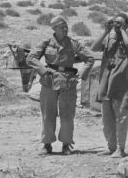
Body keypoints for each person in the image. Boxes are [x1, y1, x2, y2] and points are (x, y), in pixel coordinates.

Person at [26, 15, 94, 155]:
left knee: (67, 115)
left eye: (66, 27)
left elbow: (90, 58)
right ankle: (47, 144)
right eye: (61, 27)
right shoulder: (46, 43)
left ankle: (66, 144)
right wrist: (43, 71)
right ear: (54, 29)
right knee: (48, 114)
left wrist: (81, 75)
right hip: (49, 81)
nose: (65, 29)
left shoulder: (74, 43)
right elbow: (30, 58)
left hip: (68, 82)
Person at [91, 12, 128, 158]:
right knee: (107, 117)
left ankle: (120, 148)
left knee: (121, 116)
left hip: (122, 82)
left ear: (127, 24)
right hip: (106, 80)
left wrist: (122, 30)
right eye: (115, 22)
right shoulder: (109, 38)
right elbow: (94, 47)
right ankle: (110, 146)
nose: (117, 25)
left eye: (120, 22)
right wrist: (106, 30)